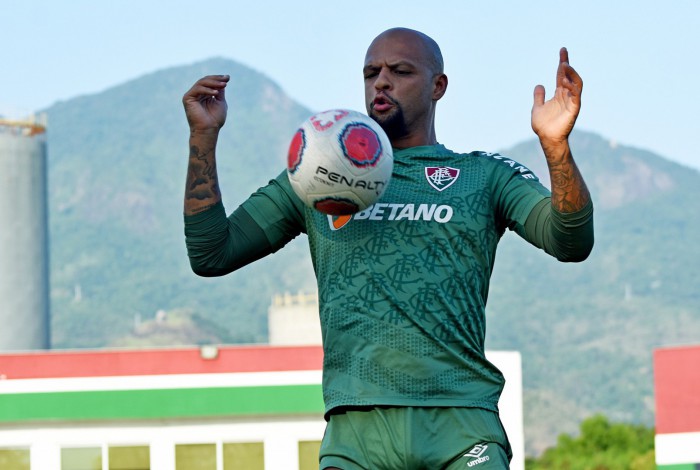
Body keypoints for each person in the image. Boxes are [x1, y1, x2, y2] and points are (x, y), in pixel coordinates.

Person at [182, 27, 593, 470]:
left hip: (461, 426)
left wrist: (556, 147)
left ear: (438, 86)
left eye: (400, 71)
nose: (381, 82)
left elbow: (570, 242)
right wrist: (203, 136)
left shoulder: (484, 176)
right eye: (371, 72)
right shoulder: (317, 175)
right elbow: (212, 254)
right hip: (357, 434)